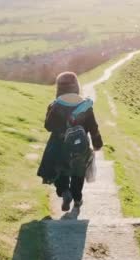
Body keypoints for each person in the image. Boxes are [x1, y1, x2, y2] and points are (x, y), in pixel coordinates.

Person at [37, 71, 103, 211]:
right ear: (76, 86)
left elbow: (48, 127)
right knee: (78, 173)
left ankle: (65, 192)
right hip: (80, 146)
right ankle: (77, 198)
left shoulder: (55, 105)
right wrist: (97, 143)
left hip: (59, 145)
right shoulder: (85, 105)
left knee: (61, 172)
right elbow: (93, 127)